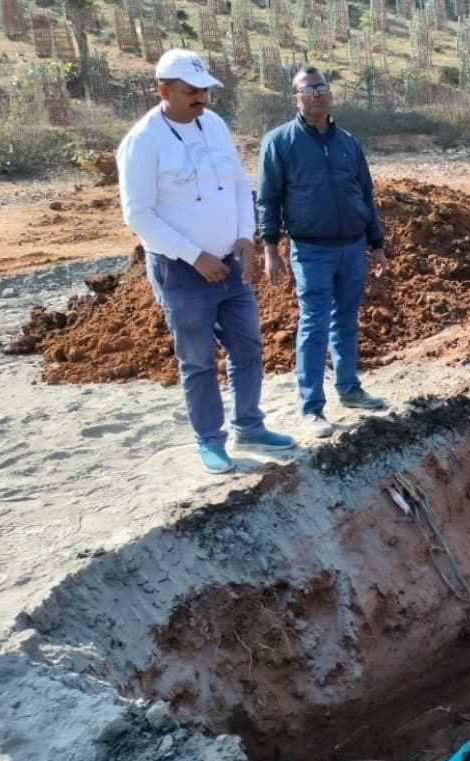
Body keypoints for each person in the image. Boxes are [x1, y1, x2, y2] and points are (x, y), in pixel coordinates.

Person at [117, 49, 295, 474]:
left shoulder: (213, 125)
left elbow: (238, 185)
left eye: (205, 90)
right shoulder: (143, 141)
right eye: (191, 91)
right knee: (197, 360)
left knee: (247, 347)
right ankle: (210, 440)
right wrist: (194, 256)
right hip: (181, 271)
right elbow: (138, 215)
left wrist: (246, 236)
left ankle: (249, 426)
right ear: (164, 90)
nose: (201, 97)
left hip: (230, 263)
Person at [257, 66, 389, 440]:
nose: (316, 94)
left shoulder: (348, 142)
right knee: (314, 325)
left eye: (321, 87)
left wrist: (377, 244)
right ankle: (312, 408)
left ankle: (349, 389)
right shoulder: (279, 143)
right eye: (308, 89)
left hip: (352, 247)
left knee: (345, 319)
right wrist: (270, 248)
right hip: (311, 250)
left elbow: (365, 196)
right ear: (295, 98)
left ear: (330, 93)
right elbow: (267, 200)